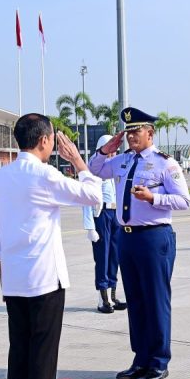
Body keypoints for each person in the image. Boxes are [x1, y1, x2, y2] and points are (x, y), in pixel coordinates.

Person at [0, 114, 102, 379]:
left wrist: (5, 268)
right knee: (41, 361)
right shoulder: (44, 174)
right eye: (53, 139)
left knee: (19, 357)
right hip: (45, 281)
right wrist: (78, 160)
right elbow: (93, 195)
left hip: (15, 281)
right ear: (45, 141)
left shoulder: (3, 176)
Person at [88, 107, 190, 379]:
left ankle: (159, 361)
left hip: (154, 237)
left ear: (150, 133)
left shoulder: (165, 164)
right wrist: (104, 149)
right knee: (135, 299)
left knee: (156, 300)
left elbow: (183, 200)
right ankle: (140, 359)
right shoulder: (120, 160)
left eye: (137, 131)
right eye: (129, 131)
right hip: (127, 237)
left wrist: (153, 198)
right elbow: (93, 169)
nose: (132, 136)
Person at [83, 134, 127, 314]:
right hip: (101, 215)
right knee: (103, 256)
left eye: (115, 150)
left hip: (115, 215)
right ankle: (103, 299)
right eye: (110, 150)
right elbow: (86, 199)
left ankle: (113, 295)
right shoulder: (93, 170)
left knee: (115, 256)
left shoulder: (116, 167)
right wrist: (89, 226)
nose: (113, 153)